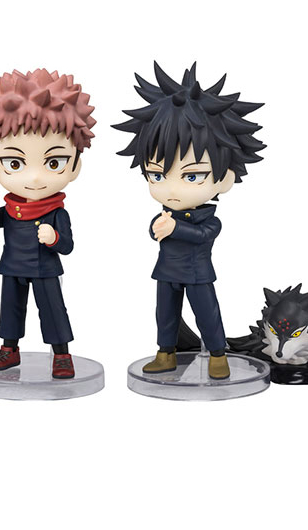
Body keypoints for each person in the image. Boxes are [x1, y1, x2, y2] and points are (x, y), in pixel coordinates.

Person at [113, 62, 265, 379]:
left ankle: (218, 356)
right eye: (157, 175)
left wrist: (175, 227)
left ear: (225, 179)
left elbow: (204, 234)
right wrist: (158, 227)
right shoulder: (166, 212)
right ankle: (165, 353)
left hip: (198, 274)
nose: (171, 189)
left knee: (207, 315)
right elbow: (157, 230)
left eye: (192, 176)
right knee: (165, 315)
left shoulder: (210, 219)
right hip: (167, 272)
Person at [0, 69, 96, 379]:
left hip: (44, 268)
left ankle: (61, 354)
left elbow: (67, 246)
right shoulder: (11, 208)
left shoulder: (56, 212)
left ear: (75, 166)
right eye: (15, 163)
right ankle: (9, 348)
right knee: (10, 309)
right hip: (13, 266)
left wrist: (53, 238)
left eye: (54, 163)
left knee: (53, 310)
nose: (36, 177)